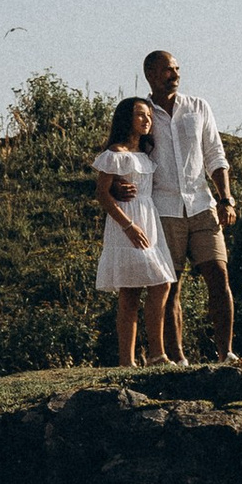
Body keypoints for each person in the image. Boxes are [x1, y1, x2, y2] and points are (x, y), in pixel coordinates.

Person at [143, 44, 236, 363]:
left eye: (178, 69)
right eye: (168, 70)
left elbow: (215, 154)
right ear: (151, 74)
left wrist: (226, 198)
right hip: (163, 208)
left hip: (202, 203)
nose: (175, 75)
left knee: (219, 274)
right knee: (171, 285)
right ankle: (178, 358)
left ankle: (226, 353)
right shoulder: (141, 113)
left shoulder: (198, 107)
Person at [91, 96, 175, 365]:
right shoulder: (115, 153)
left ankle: (156, 354)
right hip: (126, 223)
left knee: (160, 284)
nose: (146, 120)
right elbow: (103, 195)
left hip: (149, 220)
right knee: (130, 291)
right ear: (126, 118)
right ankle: (129, 360)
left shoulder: (145, 154)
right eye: (140, 115)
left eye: (149, 115)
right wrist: (128, 226)